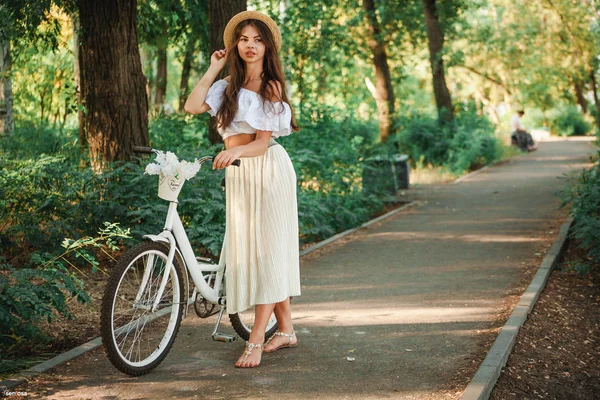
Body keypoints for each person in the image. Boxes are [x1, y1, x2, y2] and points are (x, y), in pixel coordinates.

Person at [184, 10, 301, 368]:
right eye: (244, 39)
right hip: (239, 173)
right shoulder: (226, 88)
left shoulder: (270, 86)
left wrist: (233, 150)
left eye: (258, 39)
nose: (250, 46)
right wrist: (212, 69)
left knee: (267, 251)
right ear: (236, 44)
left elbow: (262, 144)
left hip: (267, 170)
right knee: (260, 248)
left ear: (268, 46)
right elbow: (191, 106)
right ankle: (286, 330)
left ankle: (254, 342)